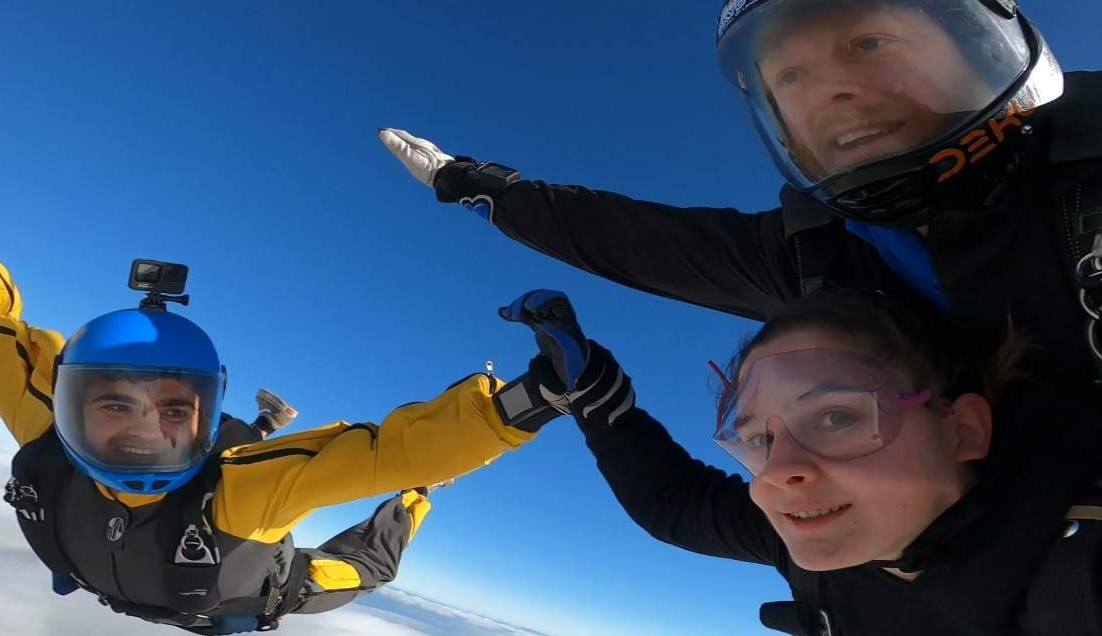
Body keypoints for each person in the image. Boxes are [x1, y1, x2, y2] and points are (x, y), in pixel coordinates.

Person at [0, 148, 552, 635]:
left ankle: (414, 501)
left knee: (368, 566)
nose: (143, 429)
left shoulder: (236, 494)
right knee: (239, 460)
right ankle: (263, 422)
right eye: (116, 403)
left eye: (174, 409)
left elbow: (383, 456)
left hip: (262, 590)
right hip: (188, 560)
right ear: (68, 402)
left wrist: (514, 407)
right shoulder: (60, 436)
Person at [499, 286, 1102, 636]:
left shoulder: (1080, 551)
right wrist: (597, 401)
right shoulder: (816, 550)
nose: (781, 473)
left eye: (836, 417)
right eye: (759, 439)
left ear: (964, 429)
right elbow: (674, 505)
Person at [381, 0, 1102, 401]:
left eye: (869, 42)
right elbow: (632, 239)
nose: (827, 91)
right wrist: (480, 187)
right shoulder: (822, 256)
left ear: (977, 33)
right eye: (789, 78)